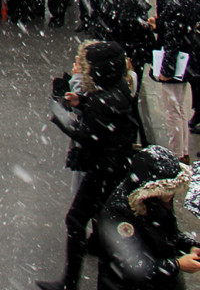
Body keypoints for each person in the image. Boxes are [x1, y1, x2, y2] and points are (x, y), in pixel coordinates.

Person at [38, 41, 140, 290]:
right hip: (115, 166)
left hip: (104, 168)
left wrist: (60, 115)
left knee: (76, 220)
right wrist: (82, 103)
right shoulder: (117, 90)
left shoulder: (103, 100)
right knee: (101, 222)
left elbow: (85, 135)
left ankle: (72, 282)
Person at [96, 145, 199, 290]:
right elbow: (132, 267)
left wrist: (190, 247)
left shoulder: (155, 201)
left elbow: (169, 235)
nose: (170, 196)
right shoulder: (118, 212)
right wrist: (177, 265)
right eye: (167, 190)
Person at [148, 0, 196, 160]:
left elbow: (173, 41)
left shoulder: (174, 4)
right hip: (185, 61)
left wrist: (166, 70)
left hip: (175, 64)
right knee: (179, 110)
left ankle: (177, 153)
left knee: (172, 110)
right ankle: (182, 151)